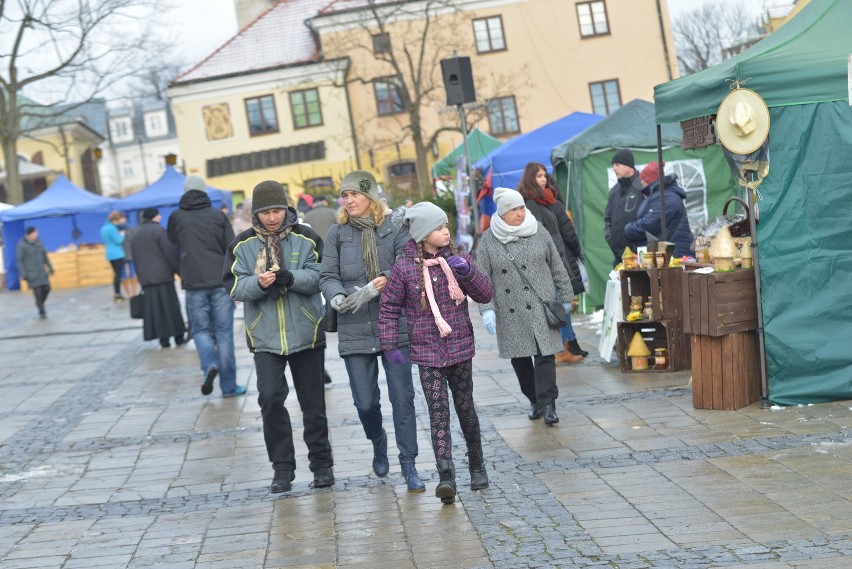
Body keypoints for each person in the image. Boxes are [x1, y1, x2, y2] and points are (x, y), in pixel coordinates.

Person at [379, 202, 494, 504]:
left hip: (459, 348)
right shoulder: (404, 268)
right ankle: (446, 476)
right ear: (422, 234)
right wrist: (389, 344)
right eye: (439, 227)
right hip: (426, 352)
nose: (446, 231)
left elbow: (485, 293)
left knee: (465, 407)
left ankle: (477, 464)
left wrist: (467, 273)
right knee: (438, 413)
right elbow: (389, 307)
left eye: (446, 226)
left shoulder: (457, 259)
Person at [224, 180, 334, 493]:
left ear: (286, 209)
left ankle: (322, 464)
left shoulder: (306, 236)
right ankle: (282, 468)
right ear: (254, 214)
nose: (272, 218)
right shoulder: (242, 245)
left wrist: (291, 277)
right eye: (265, 212)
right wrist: (258, 284)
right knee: (270, 399)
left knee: (313, 404)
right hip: (265, 337)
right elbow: (233, 286)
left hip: (306, 332)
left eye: (277, 211)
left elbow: (320, 276)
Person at [319, 170, 424, 492]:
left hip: (394, 326)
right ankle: (378, 441)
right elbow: (327, 275)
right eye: (345, 196)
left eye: (356, 195)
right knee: (365, 402)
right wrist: (335, 294)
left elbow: (413, 264)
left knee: (402, 400)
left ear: (372, 198)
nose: (349, 201)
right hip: (355, 324)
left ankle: (409, 465)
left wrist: (388, 276)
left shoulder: (394, 229)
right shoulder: (337, 233)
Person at [477, 187, 574, 426]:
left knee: (545, 356)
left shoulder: (538, 230)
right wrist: (486, 308)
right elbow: (482, 278)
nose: (520, 213)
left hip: (542, 304)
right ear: (502, 213)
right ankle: (534, 399)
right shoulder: (489, 240)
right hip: (510, 308)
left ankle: (549, 403)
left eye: (521, 207)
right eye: (513, 209)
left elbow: (556, 265)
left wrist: (566, 296)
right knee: (520, 360)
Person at [167, 175, 246, 398]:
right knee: (224, 334)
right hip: (219, 281)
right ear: (204, 191)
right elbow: (232, 249)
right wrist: (235, 279)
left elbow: (172, 245)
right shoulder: (217, 216)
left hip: (193, 282)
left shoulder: (176, 217)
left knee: (200, 330)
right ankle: (229, 387)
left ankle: (210, 364)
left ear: (185, 192)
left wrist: (182, 270)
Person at [515, 163, 584, 365]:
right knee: (555, 306)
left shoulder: (547, 200)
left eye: (544, 175)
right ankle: (559, 349)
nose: (543, 179)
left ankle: (564, 346)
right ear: (530, 178)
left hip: (557, 259)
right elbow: (540, 235)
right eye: (538, 176)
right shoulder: (530, 204)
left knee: (560, 304)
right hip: (545, 262)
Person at [130, 208, 187, 348]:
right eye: (158, 215)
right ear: (154, 217)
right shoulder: (159, 231)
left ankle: (164, 340)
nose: (160, 217)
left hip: (146, 278)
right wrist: (180, 272)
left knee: (155, 311)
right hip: (163, 276)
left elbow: (135, 258)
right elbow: (170, 253)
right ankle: (178, 336)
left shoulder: (135, 233)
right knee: (171, 308)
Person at [624, 161, 695, 258]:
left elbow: (650, 224)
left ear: (650, 180)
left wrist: (629, 229)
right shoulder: (660, 195)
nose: (641, 182)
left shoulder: (665, 197)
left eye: (643, 179)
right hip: (670, 254)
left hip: (676, 255)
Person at [604, 149, 645, 266]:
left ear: (628, 165)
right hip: (619, 256)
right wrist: (610, 238)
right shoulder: (614, 191)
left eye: (617, 164)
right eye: (613, 165)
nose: (614, 168)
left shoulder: (642, 186)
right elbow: (607, 218)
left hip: (639, 255)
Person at [16, 226, 53, 319]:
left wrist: (50, 267)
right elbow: (19, 260)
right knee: (38, 293)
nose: (36, 234)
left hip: (42, 272)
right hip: (31, 273)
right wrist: (23, 273)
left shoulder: (39, 243)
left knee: (47, 288)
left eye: (36, 232)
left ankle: (39, 303)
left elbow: (45, 256)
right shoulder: (22, 245)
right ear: (30, 234)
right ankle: (42, 312)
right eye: (34, 233)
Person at [101, 211, 127, 302]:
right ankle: (117, 294)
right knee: (118, 275)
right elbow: (118, 240)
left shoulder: (104, 228)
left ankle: (117, 294)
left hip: (109, 253)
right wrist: (122, 235)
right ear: (116, 219)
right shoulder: (112, 228)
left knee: (116, 274)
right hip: (117, 253)